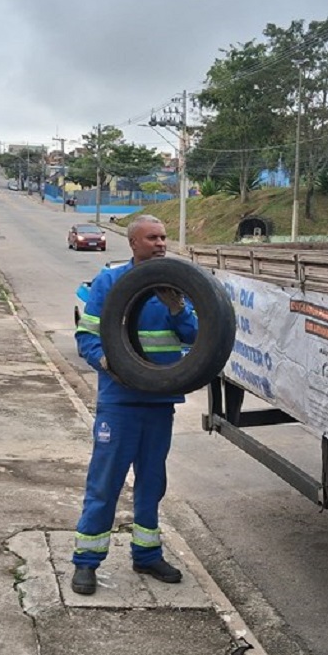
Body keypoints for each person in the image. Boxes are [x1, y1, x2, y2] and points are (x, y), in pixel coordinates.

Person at [70, 215, 198, 596]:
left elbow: (195, 336)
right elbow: (87, 336)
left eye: (164, 237)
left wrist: (177, 309)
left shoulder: (174, 286)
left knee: (152, 483)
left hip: (159, 402)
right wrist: (107, 362)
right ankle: (86, 562)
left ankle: (146, 554)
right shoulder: (110, 282)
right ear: (133, 243)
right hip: (120, 402)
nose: (161, 243)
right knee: (105, 482)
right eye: (152, 238)